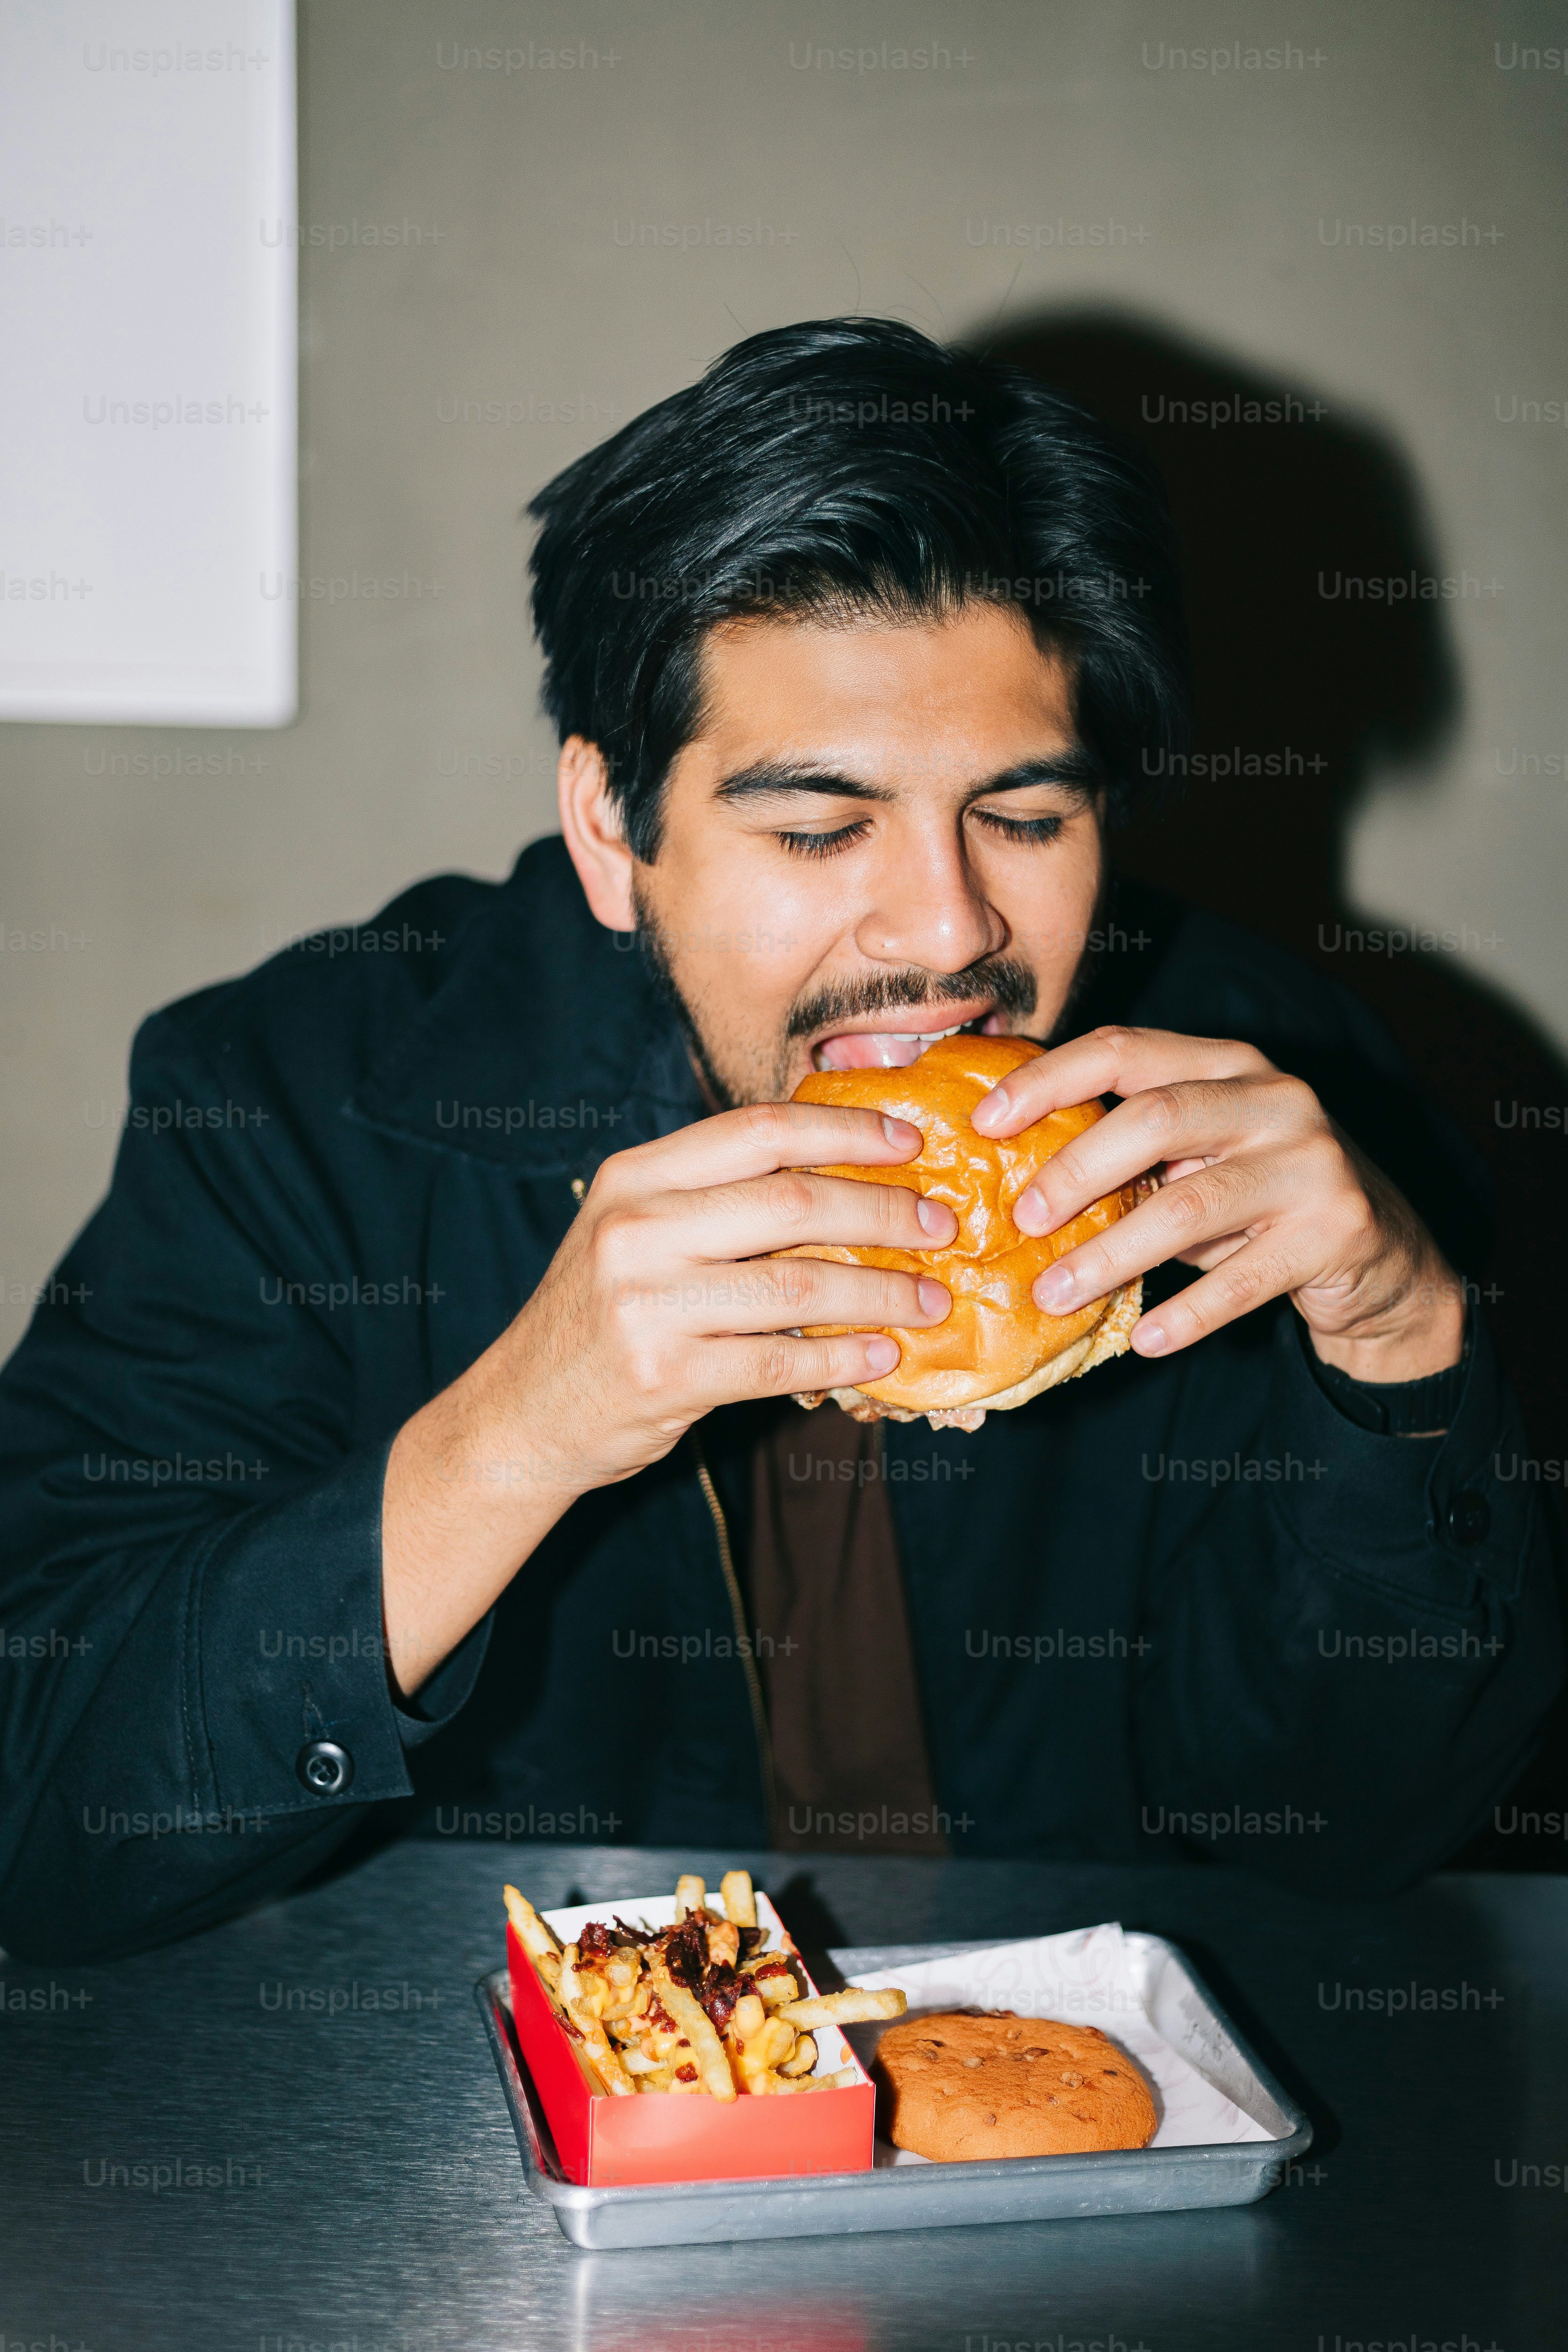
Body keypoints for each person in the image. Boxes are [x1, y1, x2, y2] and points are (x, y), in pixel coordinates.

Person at [0, 319, 1556, 1962]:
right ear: (614, 831)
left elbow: (1357, 1838)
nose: (950, 927)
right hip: (472, 2122)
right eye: (820, 826)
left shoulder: (1270, 1109)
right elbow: (40, 1817)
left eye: (1026, 817)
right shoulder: (295, 1102)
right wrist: (521, 1433)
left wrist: (1402, 1350)